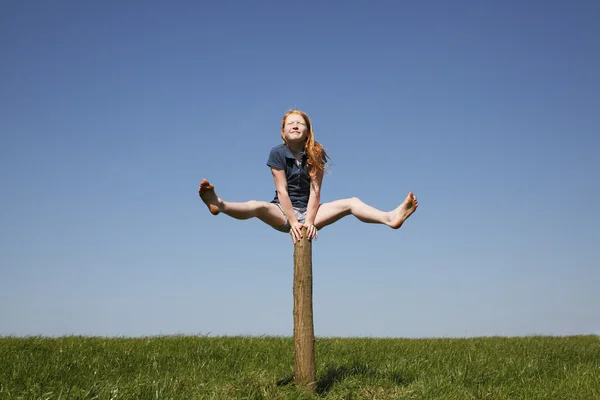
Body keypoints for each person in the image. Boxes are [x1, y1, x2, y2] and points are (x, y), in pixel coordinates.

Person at [198, 109, 418, 244]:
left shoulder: (316, 152)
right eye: (290, 123)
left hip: (312, 211)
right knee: (258, 206)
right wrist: (293, 222)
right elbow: (282, 190)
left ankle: (389, 218)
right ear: (283, 132)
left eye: (300, 123)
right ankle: (220, 204)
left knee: (352, 202)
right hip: (284, 212)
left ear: (308, 131)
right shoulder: (277, 153)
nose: (295, 125)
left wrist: (310, 221)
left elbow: (315, 190)